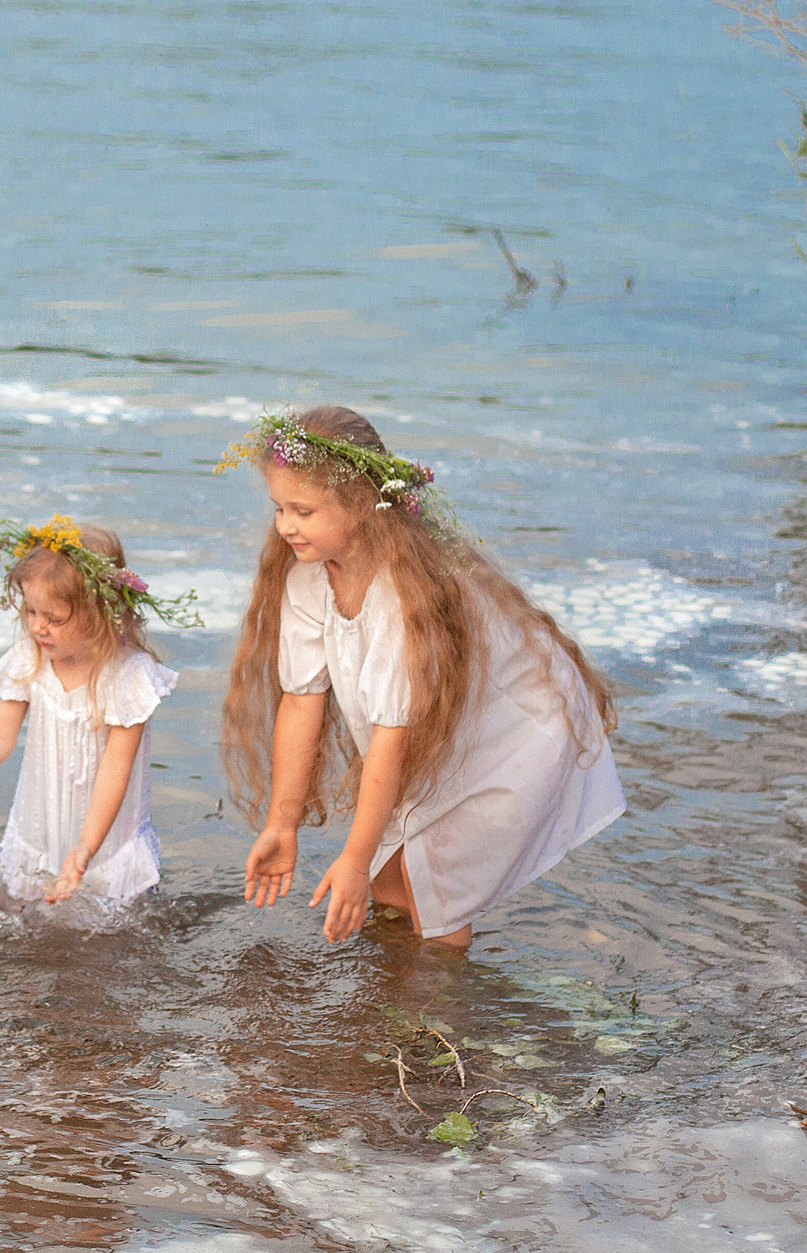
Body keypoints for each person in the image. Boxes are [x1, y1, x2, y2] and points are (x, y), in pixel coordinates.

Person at [219, 407, 623, 950]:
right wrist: (281, 823)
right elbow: (300, 699)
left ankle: (439, 1010)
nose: (286, 525)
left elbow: (394, 735)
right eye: (279, 508)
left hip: (511, 732)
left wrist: (355, 860)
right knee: (390, 879)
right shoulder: (309, 577)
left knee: (433, 885)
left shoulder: (397, 594)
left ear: (362, 506)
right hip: (436, 731)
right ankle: (394, 1001)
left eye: (304, 510)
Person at [0, 512, 200, 909]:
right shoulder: (31, 659)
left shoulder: (128, 677)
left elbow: (115, 769)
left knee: (111, 936)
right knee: (29, 926)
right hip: (40, 824)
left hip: (104, 837)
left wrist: (85, 850)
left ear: (99, 613)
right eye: (30, 612)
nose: (38, 628)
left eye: (54, 618)